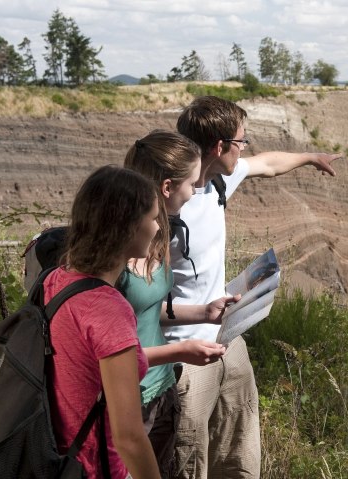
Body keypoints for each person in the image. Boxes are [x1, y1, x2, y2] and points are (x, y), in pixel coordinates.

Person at [164, 96, 342, 479]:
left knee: (238, 452)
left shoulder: (219, 180)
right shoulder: (166, 206)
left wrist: (311, 156)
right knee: (188, 458)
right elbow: (137, 298)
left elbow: (269, 164)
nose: (245, 149)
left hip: (229, 338)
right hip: (185, 353)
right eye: (241, 141)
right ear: (219, 146)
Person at [120, 130, 239, 477]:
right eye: (191, 182)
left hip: (160, 391)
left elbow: (143, 310)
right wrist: (179, 351)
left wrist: (204, 312)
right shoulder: (122, 246)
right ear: (168, 187)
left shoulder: (158, 234)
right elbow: (109, 353)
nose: (197, 188)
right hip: (130, 398)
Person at [43, 165, 161, 479]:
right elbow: (130, 438)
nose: (158, 228)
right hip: (94, 468)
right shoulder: (107, 309)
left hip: (54, 457)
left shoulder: (56, 279)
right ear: (129, 226)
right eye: (152, 218)